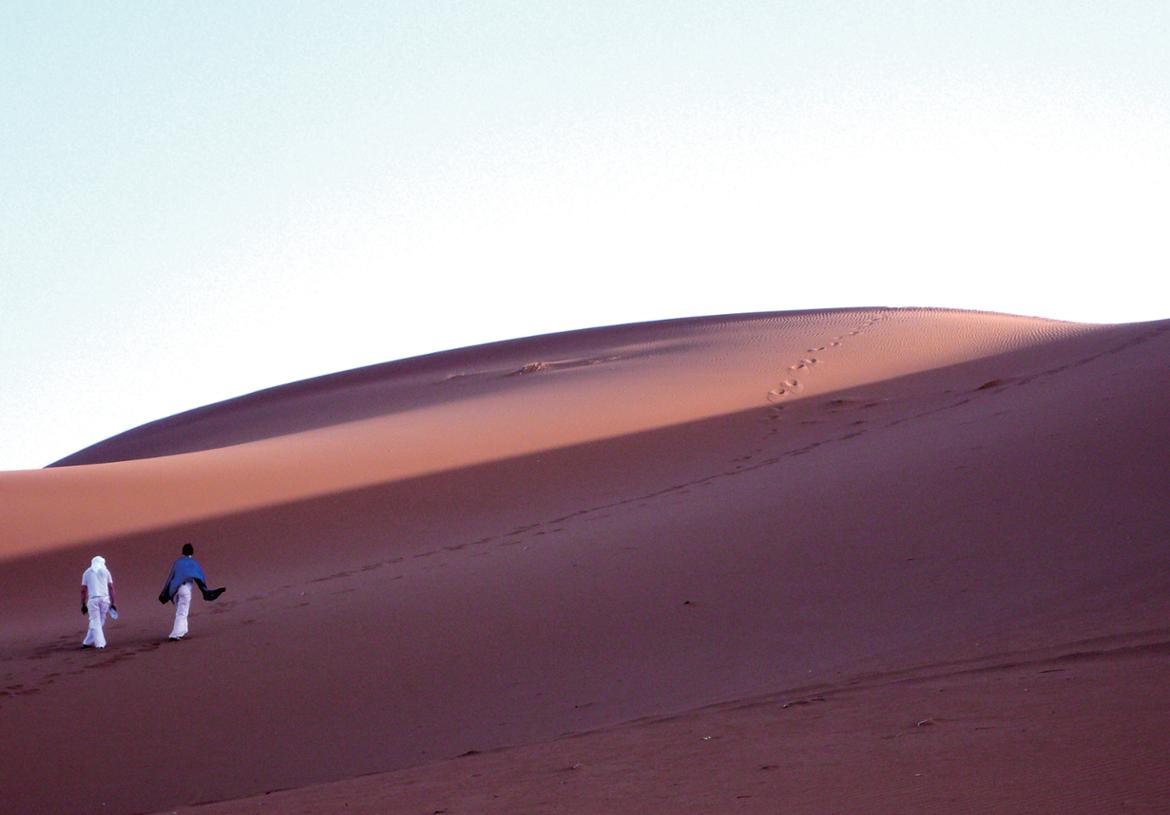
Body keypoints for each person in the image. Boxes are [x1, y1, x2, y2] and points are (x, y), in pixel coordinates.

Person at [159, 542, 226, 641]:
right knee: (182, 611)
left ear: (182, 552)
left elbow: (171, 577)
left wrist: (165, 592)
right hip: (185, 589)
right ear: (192, 552)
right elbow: (200, 577)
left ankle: (182, 631)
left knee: (180, 611)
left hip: (175, 590)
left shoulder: (177, 562)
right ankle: (175, 634)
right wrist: (205, 590)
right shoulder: (193, 563)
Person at [80, 556, 116, 649]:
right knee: (100, 621)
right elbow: (111, 587)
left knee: (95, 621)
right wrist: (113, 603)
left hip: (93, 600)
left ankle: (89, 642)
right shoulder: (106, 571)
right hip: (105, 600)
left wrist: (83, 604)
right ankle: (99, 643)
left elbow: (83, 590)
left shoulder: (86, 573)